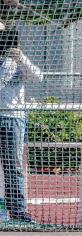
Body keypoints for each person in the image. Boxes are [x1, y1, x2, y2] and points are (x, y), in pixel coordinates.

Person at [0, 26, 43, 223]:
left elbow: (38, 77)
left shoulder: (17, 60)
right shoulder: (5, 64)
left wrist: (19, 57)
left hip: (13, 118)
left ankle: (18, 210)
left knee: (13, 166)